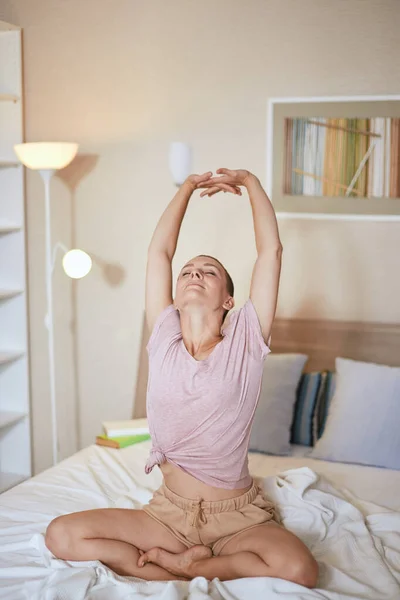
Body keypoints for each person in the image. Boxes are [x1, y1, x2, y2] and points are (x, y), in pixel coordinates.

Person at [45, 168, 318, 587]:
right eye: (188, 271)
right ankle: (161, 565)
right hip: (168, 516)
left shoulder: (245, 340)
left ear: (229, 300)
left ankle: (190, 567)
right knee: (61, 534)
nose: (194, 274)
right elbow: (159, 253)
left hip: (235, 520)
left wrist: (250, 183)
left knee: (300, 568)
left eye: (208, 272)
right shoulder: (163, 339)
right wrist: (187, 187)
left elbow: (271, 252)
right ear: (174, 296)